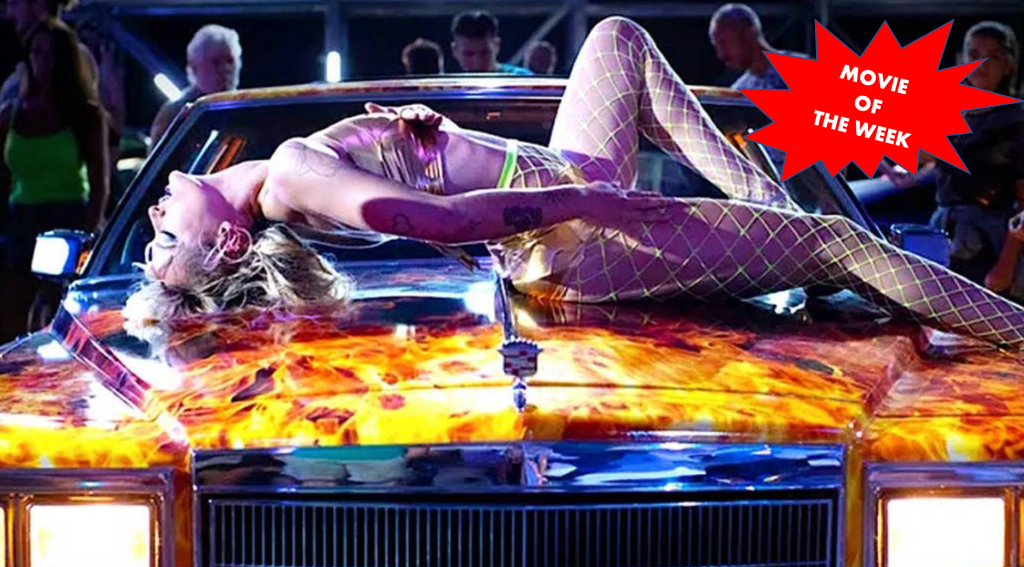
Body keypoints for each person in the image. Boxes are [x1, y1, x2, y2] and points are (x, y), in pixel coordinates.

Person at [127, 17, 1024, 356]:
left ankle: (773, 215)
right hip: (576, 236)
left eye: (156, 231)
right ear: (230, 241)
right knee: (841, 242)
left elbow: (412, 193)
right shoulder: (289, 172)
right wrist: (584, 202)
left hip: (566, 198)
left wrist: (416, 136)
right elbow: (433, 220)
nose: (157, 214)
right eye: (167, 240)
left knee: (617, 40)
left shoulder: (291, 175)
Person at [883, 21, 1023, 285]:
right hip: (945, 234)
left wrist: (1006, 264)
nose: (982, 64)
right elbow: (926, 156)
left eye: (993, 56)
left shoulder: (1016, 120)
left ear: (1009, 64)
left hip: (994, 240)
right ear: (961, 59)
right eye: (974, 54)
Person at [0, 19, 109, 341]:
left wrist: (89, 235)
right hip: (20, 221)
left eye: (50, 54)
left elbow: (100, 181)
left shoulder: (85, 115)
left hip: (67, 219)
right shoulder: (11, 113)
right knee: (14, 313)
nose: (42, 61)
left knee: (57, 314)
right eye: (36, 52)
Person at [150, 24, 242, 146]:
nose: (226, 69)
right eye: (216, 62)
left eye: (230, 61)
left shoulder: (244, 105)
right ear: (194, 67)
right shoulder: (177, 113)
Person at [1, 0, 98, 106]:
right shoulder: (20, 58)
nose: (9, 14)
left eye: (14, 4)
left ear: (39, 4)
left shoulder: (75, 56)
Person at [709, 3, 795, 91]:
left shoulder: (797, 69)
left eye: (725, 43)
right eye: (717, 47)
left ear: (750, 34)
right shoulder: (740, 90)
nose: (721, 54)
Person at [450, 10, 531, 75]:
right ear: (455, 51)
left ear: (497, 45)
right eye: (468, 54)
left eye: (484, 53)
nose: (477, 62)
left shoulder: (522, 80)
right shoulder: (448, 86)